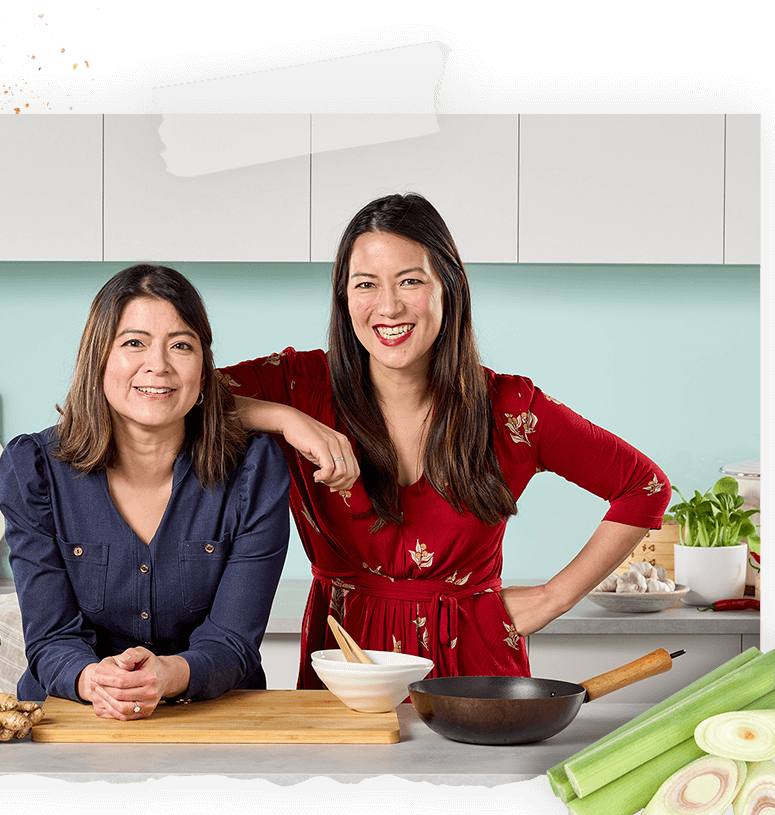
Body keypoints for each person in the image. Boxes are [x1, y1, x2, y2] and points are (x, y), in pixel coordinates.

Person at [220, 193, 671, 689]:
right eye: (365, 284)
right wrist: (285, 419)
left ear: (448, 287)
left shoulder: (510, 408)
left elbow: (644, 486)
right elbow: (173, 398)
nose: (388, 306)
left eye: (410, 280)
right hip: (346, 667)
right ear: (344, 298)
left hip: (475, 667)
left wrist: (553, 598)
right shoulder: (297, 386)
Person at [0, 264, 290, 719]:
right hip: (68, 719)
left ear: (203, 371)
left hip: (212, 719)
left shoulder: (254, 471)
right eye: (134, 343)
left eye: (181, 345)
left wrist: (168, 675)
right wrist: (95, 680)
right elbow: (51, 636)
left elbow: (233, 641)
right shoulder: (34, 470)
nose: (159, 365)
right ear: (99, 358)